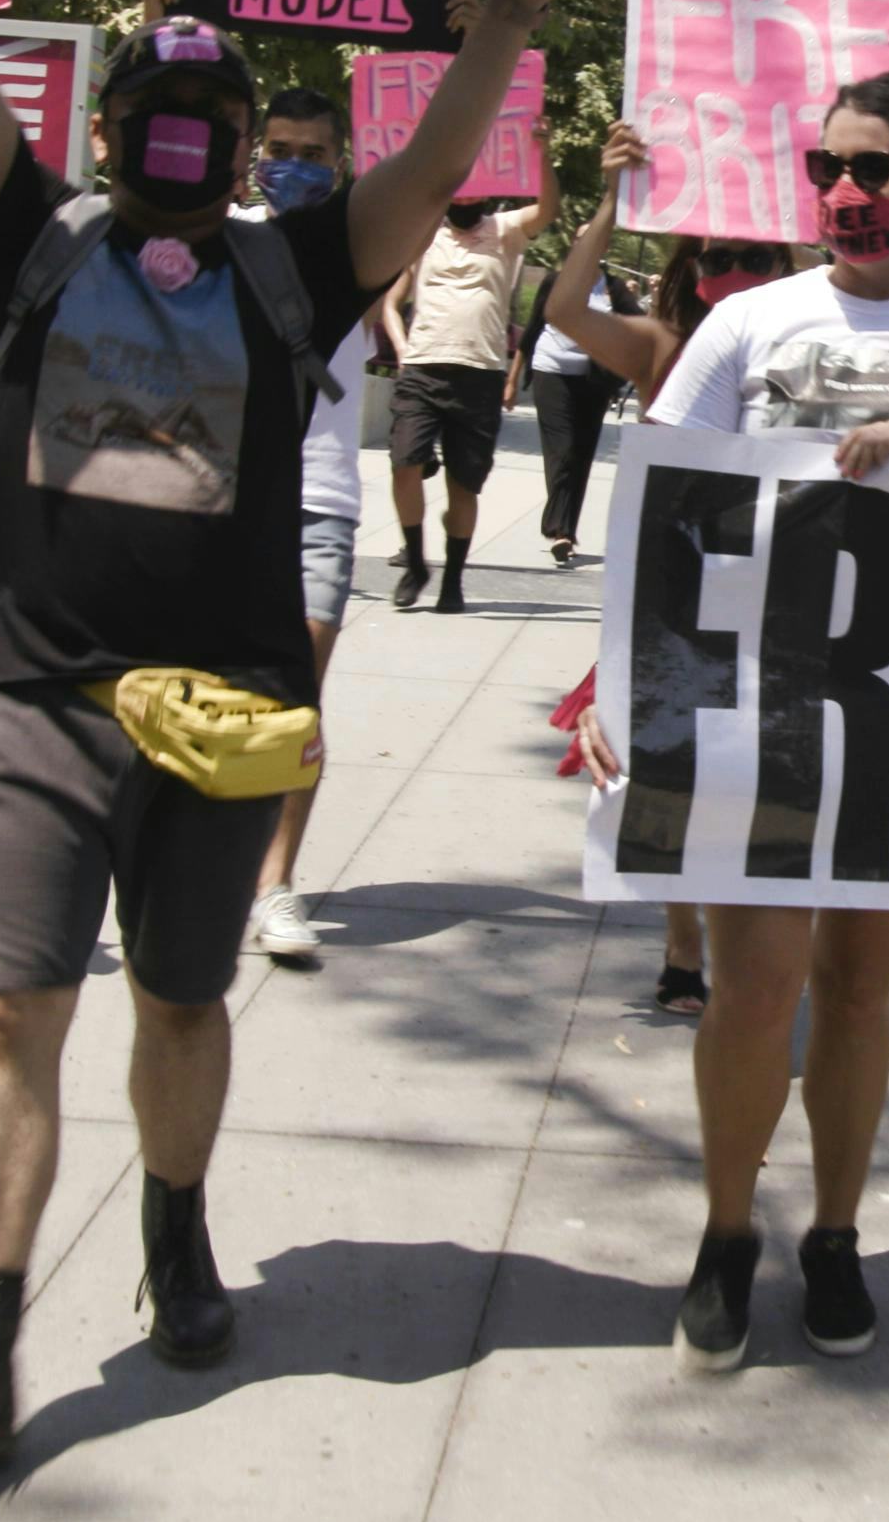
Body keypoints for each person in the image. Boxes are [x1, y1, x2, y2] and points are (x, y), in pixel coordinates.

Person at [0, 0, 582, 1459]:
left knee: (181, 999)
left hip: (226, 707)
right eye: (152, 111)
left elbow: (431, 170)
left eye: (216, 117)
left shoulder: (292, 268)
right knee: (15, 1003)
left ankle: (174, 1232)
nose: (183, 133)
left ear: (247, 144)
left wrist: (502, 21)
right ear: (103, 130)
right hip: (35, 694)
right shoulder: (31, 234)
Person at [574, 70, 889, 1373]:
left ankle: (836, 1236)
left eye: (874, 168)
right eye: (826, 168)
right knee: (755, 991)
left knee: (858, 995)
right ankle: (727, 1235)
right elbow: (665, 507)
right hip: (763, 712)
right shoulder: (746, 324)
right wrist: (619, 683)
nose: (845, 192)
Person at [535, 122, 801, 1016]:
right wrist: (614, 200)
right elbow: (563, 311)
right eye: (720, 257)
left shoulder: (818, 346)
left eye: (759, 256)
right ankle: (684, 946)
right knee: (674, 773)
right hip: (684, 592)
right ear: (694, 271)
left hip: (787, 592)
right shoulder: (660, 346)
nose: (739, 270)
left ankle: (756, 937)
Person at [245, 84, 379, 967]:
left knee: (294, 705)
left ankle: (275, 884)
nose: (294, 167)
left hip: (319, 504)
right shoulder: (216, 236)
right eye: (279, 150)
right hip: (222, 498)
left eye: (314, 154)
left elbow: (436, 175)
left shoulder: (364, 245)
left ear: (342, 165)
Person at [381, 164, 560, 613]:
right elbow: (390, 303)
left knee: (464, 487)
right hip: (422, 370)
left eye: (472, 192)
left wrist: (541, 152)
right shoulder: (424, 233)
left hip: (479, 374)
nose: (463, 200)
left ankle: (452, 582)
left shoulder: (506, 230)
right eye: (456, 192)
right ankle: (415, 564)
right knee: (404, 465)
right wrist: (402, 349)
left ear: (486, 193)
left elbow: (549, 207)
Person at [522, 245, 636, 567]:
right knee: (563, 450)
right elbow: (532, 330)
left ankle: (566, 532)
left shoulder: (613, 288)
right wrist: (513, 377)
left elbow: (638, 327)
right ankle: (559, 529)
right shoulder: (554, 281)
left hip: (593, 379)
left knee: (581, 455)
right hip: (550, 371)